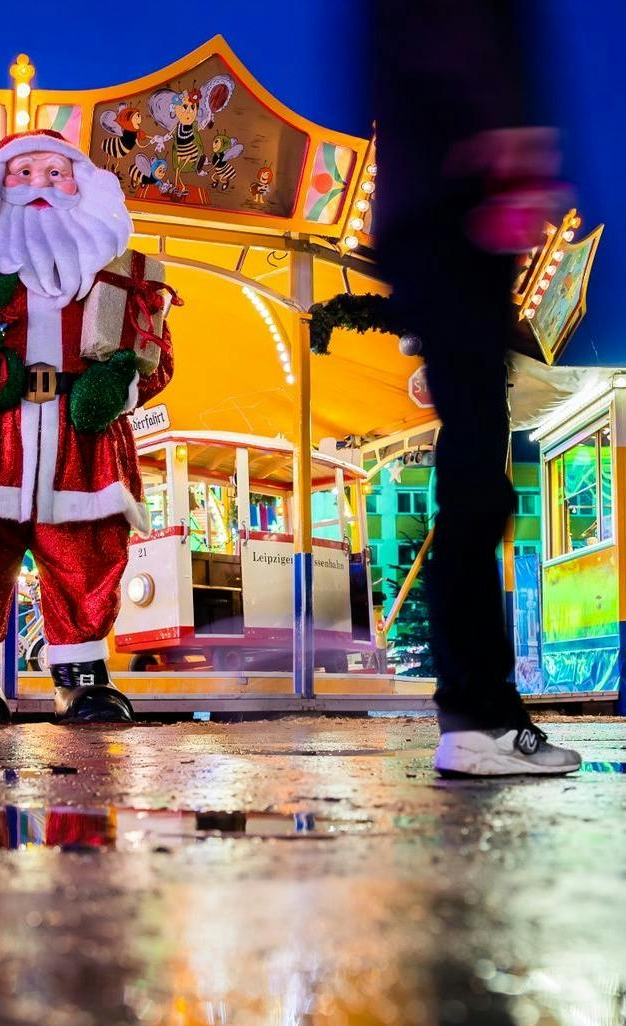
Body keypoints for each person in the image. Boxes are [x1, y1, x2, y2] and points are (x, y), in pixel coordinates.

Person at [0, 130, 174, 724]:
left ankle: (83, 681)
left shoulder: (119, 271)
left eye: (55, 173)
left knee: (88, 558)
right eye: (22, 173)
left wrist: (118, 383)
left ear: (82, 185)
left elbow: (157, 356)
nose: (38, 186)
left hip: (82, 444)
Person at [370, 0, 580, 776]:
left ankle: (477, 712)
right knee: (475, 481)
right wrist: (512, 149)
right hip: (457, 219)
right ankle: (477, 717)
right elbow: (457, 50)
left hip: (435, 219)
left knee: (472, 472)